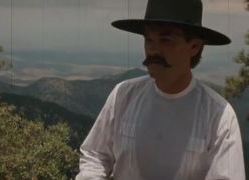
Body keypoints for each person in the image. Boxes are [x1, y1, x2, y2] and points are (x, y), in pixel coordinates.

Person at [76, 0, 246, 179]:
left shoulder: (219, 117)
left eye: (166, 40)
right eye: (148, 39)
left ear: (194, 47)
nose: (152, 49)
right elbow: (95, 155)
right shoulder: (123, 95)